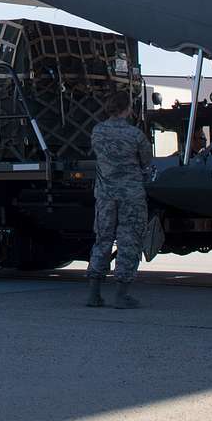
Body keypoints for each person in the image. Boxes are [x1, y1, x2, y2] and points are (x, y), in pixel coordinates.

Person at [86, 89, 155, 309]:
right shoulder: (135, 135)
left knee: (103, 239)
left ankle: (93, 294)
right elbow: (146, 163)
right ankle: (122, 294)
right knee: (129, 241)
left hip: (105, 195)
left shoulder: (97, 131)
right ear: (128, 108)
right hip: (131, 196)